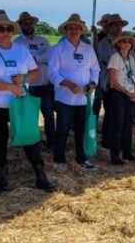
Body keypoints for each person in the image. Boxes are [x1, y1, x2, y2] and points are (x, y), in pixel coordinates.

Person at [0, 13, 57, 193]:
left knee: (30, 138)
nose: (5, 32)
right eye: (1, 28)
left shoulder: (22, 50)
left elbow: (35, 72)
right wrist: (9, 87)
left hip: (20, 103)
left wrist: (24, 77)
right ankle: (2, 179)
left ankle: (41, 177)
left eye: (9, 28)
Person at [47, 14, 99, 169]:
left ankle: (82, 159)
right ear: (65, 31)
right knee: (62, 129)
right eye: (70, 28)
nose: (74, 31)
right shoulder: (57, 49)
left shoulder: (88, 49)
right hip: (64, 98)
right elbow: (52, 72)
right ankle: (59, 159)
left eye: (77, 28)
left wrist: (93, 83)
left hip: (83, 97)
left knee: (80, 130)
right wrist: (68, 84)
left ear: (81, 31)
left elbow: (96, 69)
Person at [14, 11, 55, 150]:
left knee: (49, 115)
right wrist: (38, 58)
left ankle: (51, 142)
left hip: (45, 84)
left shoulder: (43, 39)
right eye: (25, 23)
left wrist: (34, 59)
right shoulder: (17, 43)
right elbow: (21, 61)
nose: (29, 26)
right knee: (30, 116)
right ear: (20, 25)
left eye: (31, 23)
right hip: (29, 86)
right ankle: (32, 143)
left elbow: (49, 55)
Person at [106, 32, 135, 165]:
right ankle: (115, 156)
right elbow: (112, 81)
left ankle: (128, 152)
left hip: (129, 94)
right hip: (119, 94)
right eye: (124, 41)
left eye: (129, 42)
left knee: (128, 124)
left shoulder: (131, 58)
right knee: (118, 125)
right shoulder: (115, 57)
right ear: (119, 44)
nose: (126, 44)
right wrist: (127, 92)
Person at [96, 14, 127, 146]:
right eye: (115, 25)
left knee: (121, 113)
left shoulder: (125, 42)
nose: (118, 27)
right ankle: (107, 140)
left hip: (124, 83)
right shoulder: (104, 43)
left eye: (120, 25)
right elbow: (111, 61)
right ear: (109, 27)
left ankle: (118, 139)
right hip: (109, 82)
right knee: (110, 112)